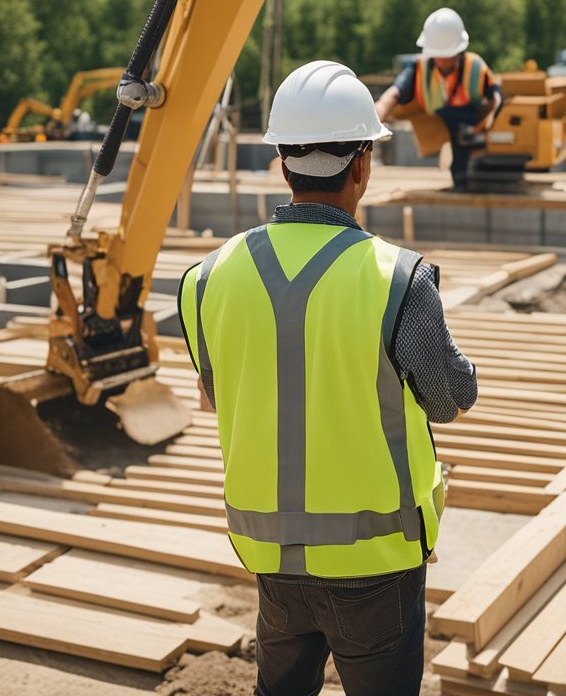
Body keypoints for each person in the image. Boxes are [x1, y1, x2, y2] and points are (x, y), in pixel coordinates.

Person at [178, 60, 477, 696]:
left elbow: (215, 389)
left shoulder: (205, 280)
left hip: (270, 556)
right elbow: (449, 399)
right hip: (378, 564)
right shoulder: (399, 278)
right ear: (363, 164)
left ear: (282, 164)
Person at [375, 7, 502, 189]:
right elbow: (393, 94)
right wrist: (375, 117)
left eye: (445, 55)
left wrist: (483, 125)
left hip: (470, 126)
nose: (440, 60)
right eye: (437, 55)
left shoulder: (474, 67)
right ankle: (461, 179)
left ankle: (464, 180)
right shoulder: (420, 68)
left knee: (463, 139)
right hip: (437, 120)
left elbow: (496, 97)